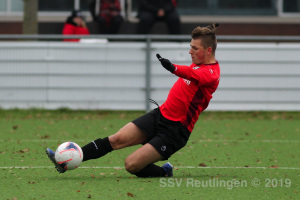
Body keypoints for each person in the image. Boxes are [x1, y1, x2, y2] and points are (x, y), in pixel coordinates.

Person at [46, 24, 220, 177]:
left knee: (131, 165)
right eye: (190, 47)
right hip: (160, 116)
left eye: (195, 48)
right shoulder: (198, 61)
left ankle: (164, 172)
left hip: (175, 131)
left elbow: (193, 74)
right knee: (115, 139)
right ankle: (65, 161)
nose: (190, 51)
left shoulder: (212, 74)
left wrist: (173, 67)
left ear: (208, 51)